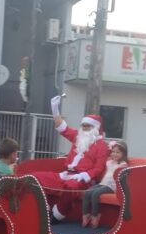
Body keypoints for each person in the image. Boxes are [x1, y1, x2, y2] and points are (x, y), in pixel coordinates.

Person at [33, 95, 109, 224]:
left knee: (71, 186)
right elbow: (62, 128)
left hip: (83, 179)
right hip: (65, 174)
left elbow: (99, 168)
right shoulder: (77, 136)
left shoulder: (102, 146)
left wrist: (85, 175)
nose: (84, 128)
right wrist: (55, 108)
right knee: (35, 177)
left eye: (87, 126)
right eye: (83, 125)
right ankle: (43, 208)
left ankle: (57, 215)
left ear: (96, 128)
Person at [81, 141, 128, 228]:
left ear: (124, 154)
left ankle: (95, 216)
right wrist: (107, 147)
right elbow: (106, 155)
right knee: (87, 192)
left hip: (112, 186)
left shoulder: (123, 165)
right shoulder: (109, 163)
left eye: (118, 152)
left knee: (95, 194)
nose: (115, 154)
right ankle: (86, 214)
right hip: (103, 183)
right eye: (113, 152)